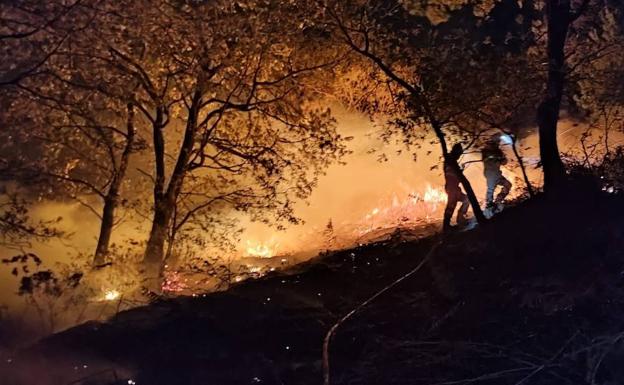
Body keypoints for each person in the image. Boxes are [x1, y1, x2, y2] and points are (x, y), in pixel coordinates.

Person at [482, 135, 511, 214]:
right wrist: (500, 157)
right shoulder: (488, 150)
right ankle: (489, 208)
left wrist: (502, 157)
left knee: (507, 185)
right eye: (497, 142)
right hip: (491, 174)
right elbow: (503, 161)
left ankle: (497, 202)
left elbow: (504, 162)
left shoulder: (495, 151)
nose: (498, 144)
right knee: (490, 190)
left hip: (496, 174)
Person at [443, 143, 469, 232]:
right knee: (451, 206)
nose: (459, 156)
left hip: (455, 188)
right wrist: (460, 172)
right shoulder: (450, 161)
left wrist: (460, 170)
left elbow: (456, 175)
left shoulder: (451, 161)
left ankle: (460, 219)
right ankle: (446, 227)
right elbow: (452, 175)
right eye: (459, 153)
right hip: (452, 188)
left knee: (466, 200)